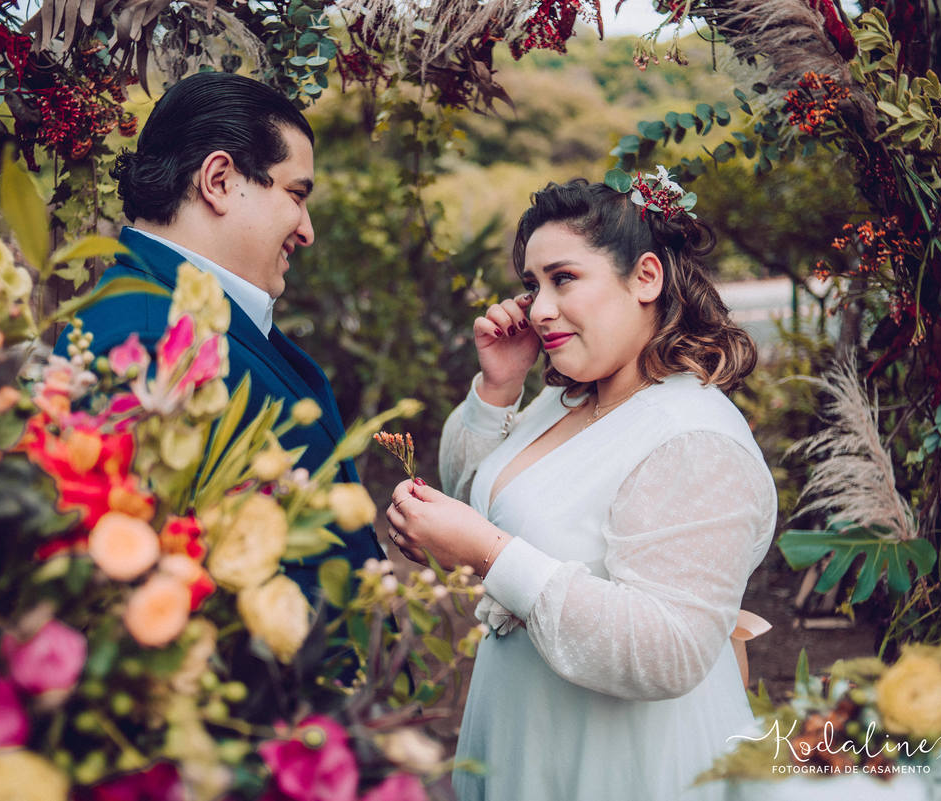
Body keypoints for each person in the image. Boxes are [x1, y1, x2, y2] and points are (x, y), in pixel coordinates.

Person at [384, 176, 777, 800]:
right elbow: (475, 492)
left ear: (645, 277)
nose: (538, 308)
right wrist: (497, 390)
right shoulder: (564, 400)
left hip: (626, 766)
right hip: (528, 739)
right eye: (533, 285)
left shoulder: (693, 438)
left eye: (563, 278)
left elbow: (669, 649)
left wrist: (489, 553)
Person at [54, 72, 383, 597]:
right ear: (220, 181)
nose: (307, 229)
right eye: (296, 194)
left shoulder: (178, 313)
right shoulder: (144, 338)